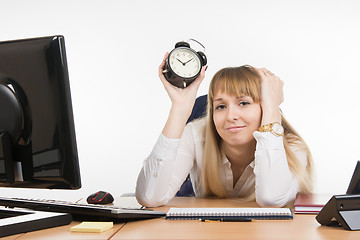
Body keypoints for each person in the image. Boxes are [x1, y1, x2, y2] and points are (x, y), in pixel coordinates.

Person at [135, 52, 313, 208]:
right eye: (220, 106)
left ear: (265, 107)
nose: (231, 116)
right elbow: (149, 197)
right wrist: (179, 109)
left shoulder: (292, 148)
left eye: (244, 103)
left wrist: (272, 108)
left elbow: (271, 199)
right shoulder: (197, 134)